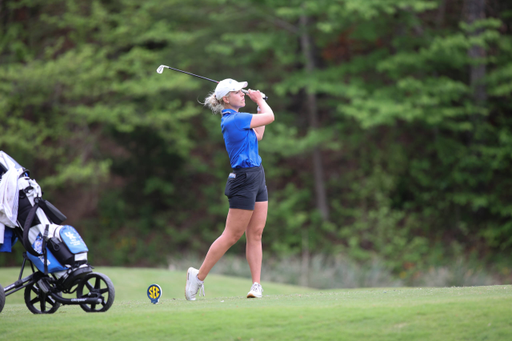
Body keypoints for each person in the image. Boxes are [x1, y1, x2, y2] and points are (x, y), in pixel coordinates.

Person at [185, 78, 275, 300]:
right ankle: (198, 276)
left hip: (257, 175)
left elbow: (260, 134)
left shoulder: (242, 120)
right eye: (238, 92)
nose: (243, 93)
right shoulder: (233, 120)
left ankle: (256, 285)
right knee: (232, 235)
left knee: (255, 233)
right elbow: (270, 117)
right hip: (243, 180)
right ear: (227, 98)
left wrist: (258, 103)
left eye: (243, 91)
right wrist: (260, 100)